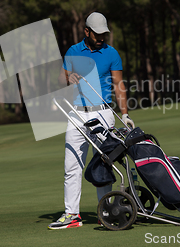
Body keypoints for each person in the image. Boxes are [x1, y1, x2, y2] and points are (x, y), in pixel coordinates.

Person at [48, 12, 134, 230]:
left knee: (103, 164)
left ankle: (105, 212)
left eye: (104, 34)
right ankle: (72, 216)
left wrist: (124, 114)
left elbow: (119, 85)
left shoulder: (111, 53)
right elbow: (60, 79)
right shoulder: (73, 51)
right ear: (86, 31)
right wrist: (69, 78)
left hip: (103, 113)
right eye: (97, 34)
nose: (101, 38)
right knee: (72, 165)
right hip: (77, 114)